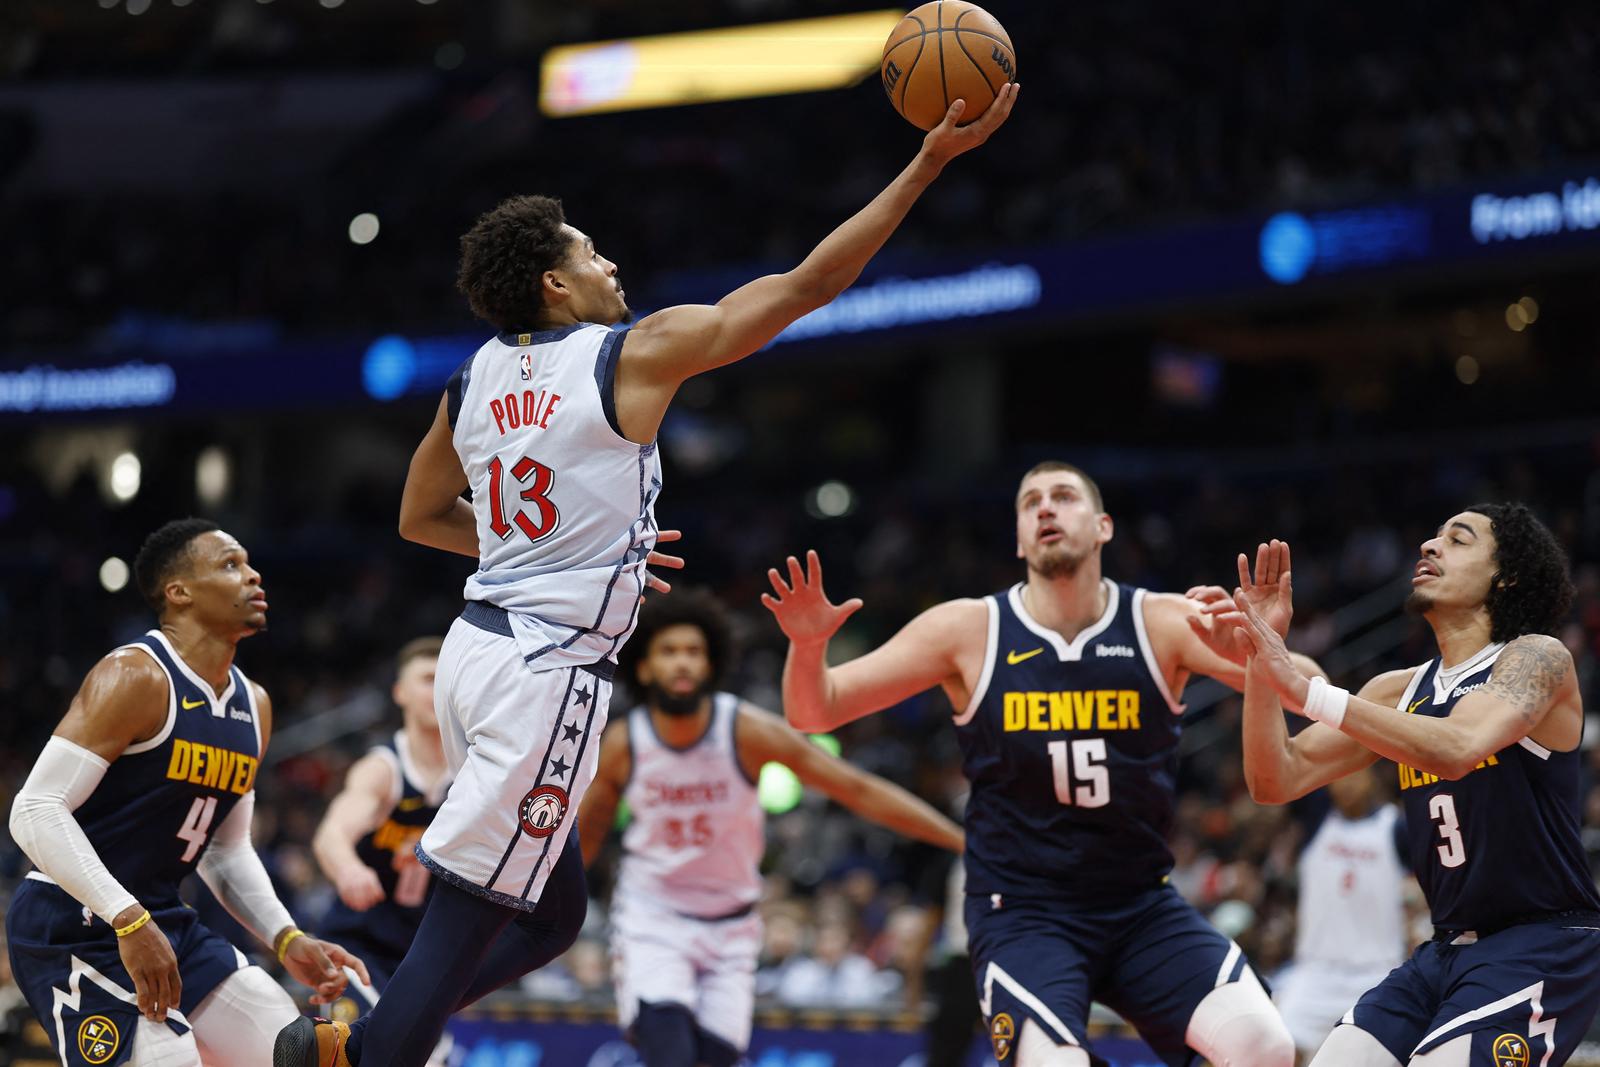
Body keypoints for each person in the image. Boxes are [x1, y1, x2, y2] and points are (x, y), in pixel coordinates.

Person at [276, 84, 1018, 1067]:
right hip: (545, 674)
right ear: (553, 282)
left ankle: (367, 1026)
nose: (609, 261)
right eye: (589, 251)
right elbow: (802, 287)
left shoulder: (470, 380)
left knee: (551, 917)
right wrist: (927, 163)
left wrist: (573, 551)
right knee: (469, 919)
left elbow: (419, 516)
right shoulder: (627, 353)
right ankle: (359, 1051)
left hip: (474, 652)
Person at [762, 461, 1312, 1067]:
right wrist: (808, 646)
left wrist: (1262, 649)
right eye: (1031, 503)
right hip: (1023, 912)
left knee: (1266, 1046)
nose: (1046, 509)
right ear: (1020, 538)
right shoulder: (968, 629)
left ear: (1103, 526)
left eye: (1063, 497)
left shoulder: (1163, 620)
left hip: (1141, 904)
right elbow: (816, 711)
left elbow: (1311, 693)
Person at [1214, 513, 1600, 1067]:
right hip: (1444, 951)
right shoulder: (1398, 690)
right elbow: (1276, 778)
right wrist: (1261, 651)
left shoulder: (1538, 658)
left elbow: (1458, 745)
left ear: (1506, 577)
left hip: (1540, 944)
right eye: (1434, 536)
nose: (1429, 543)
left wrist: (1307, 689)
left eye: (1458, 539)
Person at [6, 518, 368, 1067]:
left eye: (248, 563)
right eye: (230, 565)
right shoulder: (135, 676)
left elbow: (225, 848)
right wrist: (126, 917)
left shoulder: (256, 705)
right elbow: (33, 809)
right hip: (74, 922)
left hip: (161, 919)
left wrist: (286, 937)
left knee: (302, 1052)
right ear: (178, 593)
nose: (252, 576)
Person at [578, 591, 964, 1067]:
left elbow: (856, 789)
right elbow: (584, 840)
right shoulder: (624, 743)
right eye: (669, 651)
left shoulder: (745, 730)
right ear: (644, 667)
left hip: (733, 924)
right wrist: (542, 915)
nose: (682, 663)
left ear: (712, 663)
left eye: (693, 652)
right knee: (668, 1054)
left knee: (714, 1059)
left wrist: (961, 839)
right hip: (653, 919)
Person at [311, 637, 450, 1027]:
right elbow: (331, 835)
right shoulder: (384, 769)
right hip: (359, 947)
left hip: (428, 952)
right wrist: (348, 869)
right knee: (361, 1048)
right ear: (400, 693)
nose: (437, 690)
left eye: (445, 680)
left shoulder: (476, 773)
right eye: (426, 679)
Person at [1271, 765, 1410, 1060]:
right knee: (1276, 1047)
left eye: (1353, 774)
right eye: (1337, 777)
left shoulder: (1396, 827)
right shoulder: (1315, 820)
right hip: (1315, 971)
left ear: (1372, 775)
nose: (1345, 785)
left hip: (1377, 974)